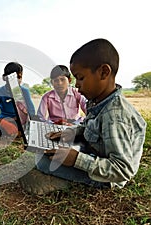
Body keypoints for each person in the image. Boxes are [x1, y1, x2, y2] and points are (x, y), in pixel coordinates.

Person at [19, 38, 147, 195]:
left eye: (80, 78)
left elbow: (123, 170)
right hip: (94, 151)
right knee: (48, 151)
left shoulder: (114, 116)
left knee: (43, 161)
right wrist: (72, 132)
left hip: (108, 177)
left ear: (103, 72)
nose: (77, 85)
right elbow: (89, 126)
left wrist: (76, 159)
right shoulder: (99, 102)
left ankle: (60, 182)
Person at [0, 62, 36, 137]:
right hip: (5, 120)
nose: (17, 80)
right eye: (13, 78)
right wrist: (2, 122)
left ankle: (18, 132)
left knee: (34, 122)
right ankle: (15, 133)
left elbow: (31, 111)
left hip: (20, 121)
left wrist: (22, 119)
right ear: (4, 78)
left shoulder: (24, 91)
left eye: (19, 77)